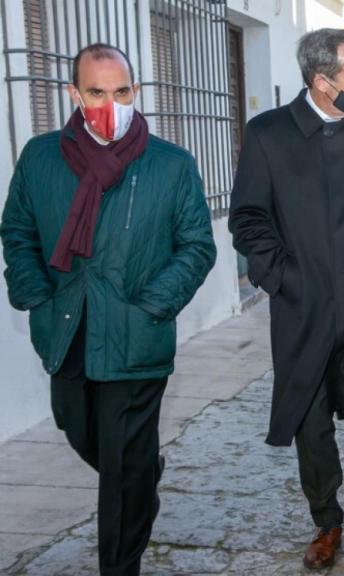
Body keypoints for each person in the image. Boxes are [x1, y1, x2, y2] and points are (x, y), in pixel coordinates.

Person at [0, 43, 216, 576]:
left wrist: (153, 306)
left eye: (120, 92)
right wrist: (34, 293)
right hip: (66, 329)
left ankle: (120, 565)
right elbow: (18, 230)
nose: (109, 103)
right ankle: (142, 471)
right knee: (80, 430)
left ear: (135, 93)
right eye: (96, 91)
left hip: (135, 336)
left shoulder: (171, 163)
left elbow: (196, 246)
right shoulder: (41, 156)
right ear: (75, 93)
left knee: (118, 474)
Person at [228, 28, 344, 570]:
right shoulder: (268, 134)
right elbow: (249, 218)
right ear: (322, 82)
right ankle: (326, 521)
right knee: (311, 423)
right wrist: (283, 278)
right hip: (300, 311)